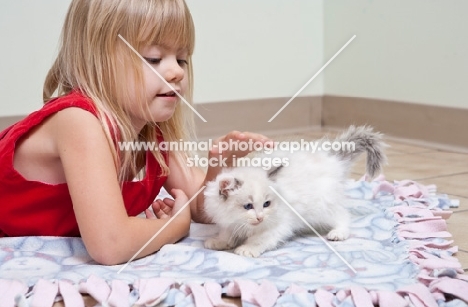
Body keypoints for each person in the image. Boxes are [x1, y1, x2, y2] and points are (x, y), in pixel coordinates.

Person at [0, 0, 270, 265]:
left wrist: (218, 166)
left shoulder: (153, 132)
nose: (175, 71)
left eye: (182, 59)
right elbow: (111, 245)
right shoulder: (79, 121)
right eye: (154, 58)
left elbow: (202, 211)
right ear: (98, 59)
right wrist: (175, 226)